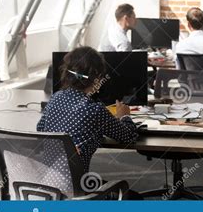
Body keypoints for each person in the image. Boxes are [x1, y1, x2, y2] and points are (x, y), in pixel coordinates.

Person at [37, 46, 138, 174]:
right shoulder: (94, 110)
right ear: (97, 78)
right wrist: (124, 116)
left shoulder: (55, 98)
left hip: (47, 182)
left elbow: (40, 128)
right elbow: (130, 137)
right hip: (77, 186)